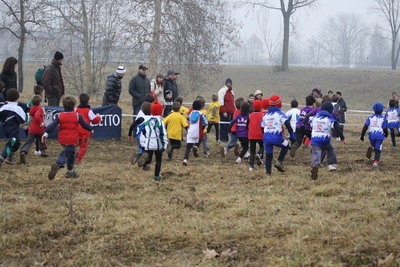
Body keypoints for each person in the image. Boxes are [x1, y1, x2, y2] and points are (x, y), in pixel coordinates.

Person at [43, 96, 93, 180]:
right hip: (72, 138)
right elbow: (84, 124)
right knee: (68, 153)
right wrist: (91, 129)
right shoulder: (77, 116)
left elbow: (52, 125)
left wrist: (46, 133)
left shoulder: (59, 115)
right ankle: (58, 164)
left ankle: (70, 171)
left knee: (71, 153)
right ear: (74, 106)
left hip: (62, 138)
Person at [309, 102, 346, 180]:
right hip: (325, 139)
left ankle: (315, 165)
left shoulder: (315, 118)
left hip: (315, 139)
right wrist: (342, 138)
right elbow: (337, 126)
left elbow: (308, 119)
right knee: (330, 149)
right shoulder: (329, 119)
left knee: (316, 152)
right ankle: (332, 165)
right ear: (331, 111)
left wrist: (304, 125)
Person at [261, 95, 295, 176]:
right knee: (286, 146)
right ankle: (279, 162)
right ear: (279, 104)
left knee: (269, 156)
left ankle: (268, 174)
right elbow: (287, 122)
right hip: (276, 137)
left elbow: (261, 126)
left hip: (266, 138)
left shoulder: (266, 115)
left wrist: (265, 134)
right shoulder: (280, 113)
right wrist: (291, 133)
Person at [137, 102, 168, 181]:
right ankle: (156, 176)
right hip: (158, 144)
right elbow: (163, 134)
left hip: (148, 142)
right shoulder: (160, 122)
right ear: (161, 111)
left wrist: (143, 142)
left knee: (149, 158)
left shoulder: (147, 121)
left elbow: (143, 131)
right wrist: (164, 145)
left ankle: (145, 162)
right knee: (158, 160)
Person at [0, 89, 26, 165]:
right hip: (12, 130)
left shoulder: (3, 107)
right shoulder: (18, 109)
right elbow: (23, 120)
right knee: (10, 144)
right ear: (17, 98)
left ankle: (10, 157)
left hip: (5, 129)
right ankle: (2, 157)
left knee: (17, 143)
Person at [19, 95, 47, 164]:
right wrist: (41, 123)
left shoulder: (32, 108)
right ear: (40, 103)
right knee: (42, 139)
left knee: (29, 141)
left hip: (32, 129)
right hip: (39, 128)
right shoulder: (39, 109)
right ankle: (43, 151)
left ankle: (23, 151)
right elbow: (38, 116)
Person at [75, 93, 102, 164]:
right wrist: (99, 117)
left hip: (76, 130)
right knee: (83, 146)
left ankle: (73, 155)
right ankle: (78, 160)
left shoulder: (76, 110)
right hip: (85, 131)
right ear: (88, 101)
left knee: (75, 144)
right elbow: (95, 120)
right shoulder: (88, 111)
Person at [360, 102, 388, 167]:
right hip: (379, 135)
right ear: (381, 110)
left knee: (373, 144)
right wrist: (386, 134)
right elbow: (385, 129)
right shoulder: (383, 119)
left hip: (371, 135)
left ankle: (372, 147)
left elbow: (365, 127)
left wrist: (362, 135)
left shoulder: (370, 118)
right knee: (378, 149)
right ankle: (375, 162)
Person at [182, 100, 207, 166]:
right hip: (198, 132)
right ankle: (196, 146)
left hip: (190, 132)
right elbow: (205, 122)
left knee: (188, 147)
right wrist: (203, 127)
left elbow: (187, 119)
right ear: (200, 107)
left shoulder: (191, 113)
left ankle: (185, 159)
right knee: (201, 139)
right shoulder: (201, 114)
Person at [248, 100, 264, 171]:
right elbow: (263, 125)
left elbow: (246, 125)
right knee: (263, 146)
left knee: (252, 151)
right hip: (260, 134)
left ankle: (251, 166)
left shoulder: (250, 115)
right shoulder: (262, 115)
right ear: (261, 107)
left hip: (251, 135)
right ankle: (260, 155)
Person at [218, 78, 235, 142]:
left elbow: (233, 102)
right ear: (225, 83)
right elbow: (221, 102)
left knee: (228, 126)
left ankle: (227, 139)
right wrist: (224, 111)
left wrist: (234, 110)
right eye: (227, 83)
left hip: (231, 112)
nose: (229, 84)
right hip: (224, 112)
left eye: (230, 83)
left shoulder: (232, 92)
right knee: (223, 126)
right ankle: (223, 139)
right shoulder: (222, 91)